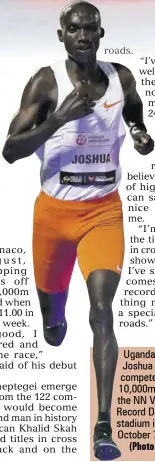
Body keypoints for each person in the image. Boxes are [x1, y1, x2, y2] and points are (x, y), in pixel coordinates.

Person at [2, 1, 154, 460]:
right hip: (53, 217)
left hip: (104, 213)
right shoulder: (45, 82)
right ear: (61, 34)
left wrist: (140, 131)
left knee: (104, 310)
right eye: (74, 29)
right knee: (54, 326)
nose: (83, 35)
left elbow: (133, 111)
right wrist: (59, 120)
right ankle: (52, 313)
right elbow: (9, 150)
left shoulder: (122, 76)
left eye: (90, 28)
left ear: (101, 33)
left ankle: (103, 426)